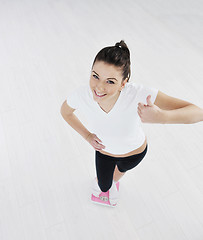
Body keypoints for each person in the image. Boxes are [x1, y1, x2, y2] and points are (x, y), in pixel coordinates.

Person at [60, 40, 203, 206]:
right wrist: (87, 136)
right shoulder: (81, 95)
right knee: (103, 184)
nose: (99, 87)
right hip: (104, 153)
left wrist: (162, 117)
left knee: (119, 173)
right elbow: (66, 112)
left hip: (135, 153)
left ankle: (115, 182)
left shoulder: (138, 93)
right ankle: (107, 186)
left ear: (123, 83)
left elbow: (198, 113)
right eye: (95, 76)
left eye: (110, 81)